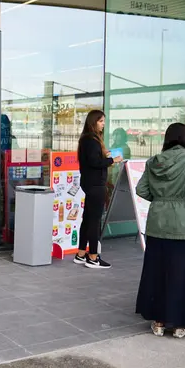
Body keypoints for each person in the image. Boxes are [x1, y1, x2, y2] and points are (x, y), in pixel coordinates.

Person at [134, 123, 185, 338]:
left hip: (157, 223)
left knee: (158, 273)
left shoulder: (154, 161)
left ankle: (159, 322)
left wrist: (161, 200)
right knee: (182, 275)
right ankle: (180, 324)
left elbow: (141, 189)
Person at [76, 110, 122, 269]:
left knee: (88, 218)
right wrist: (112, 160)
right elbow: (94, 162)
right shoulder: (91, 140)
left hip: (90, 183)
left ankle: (81, 253)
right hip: (96, 184)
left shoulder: (87, 139)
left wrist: (104, 156)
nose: (103, 124)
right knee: (94, 221)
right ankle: (93, 257)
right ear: (93, 122)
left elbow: (92, 160)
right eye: (101, 121)